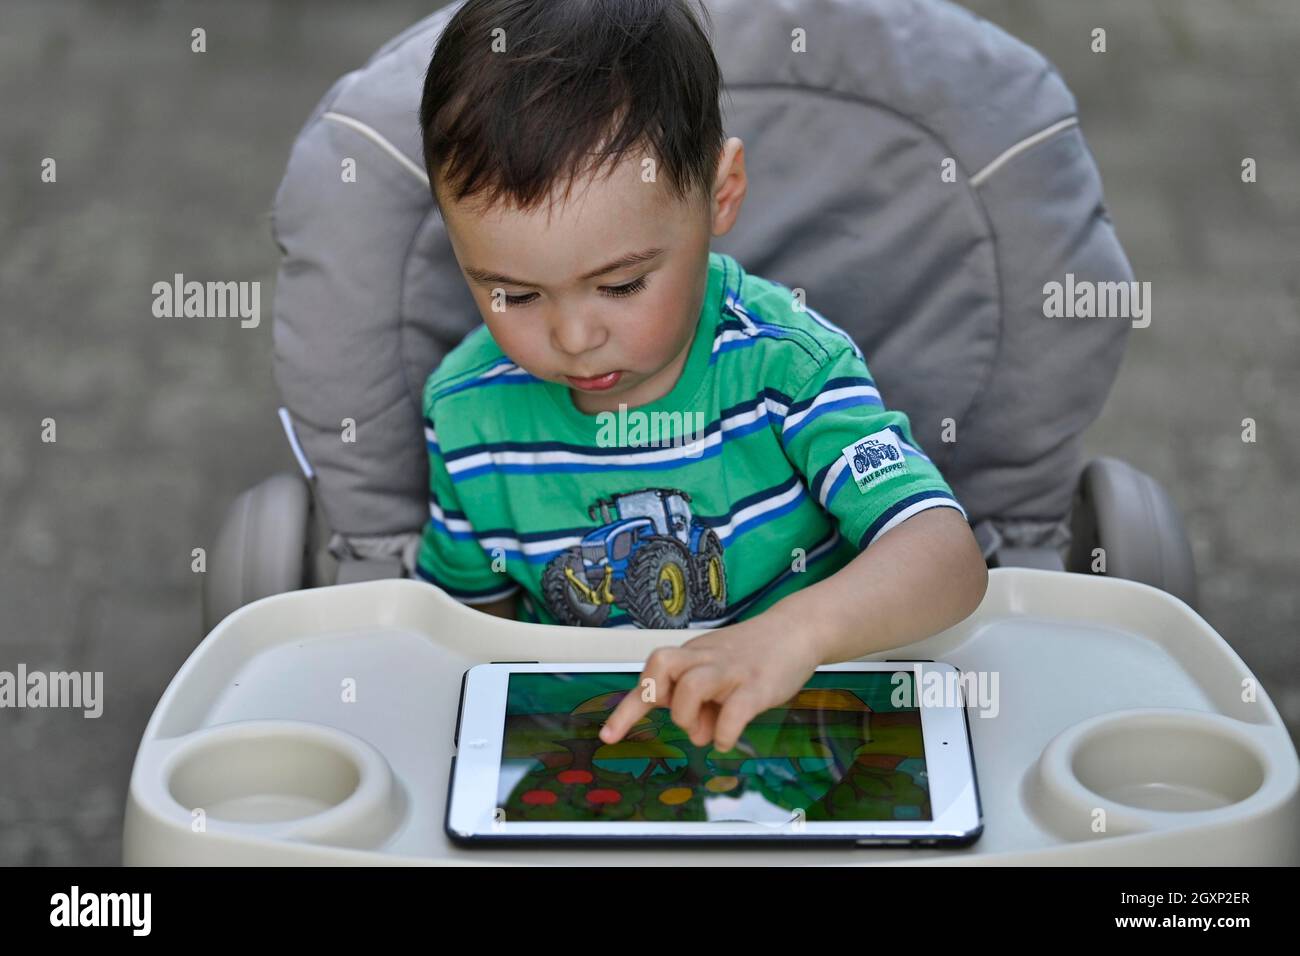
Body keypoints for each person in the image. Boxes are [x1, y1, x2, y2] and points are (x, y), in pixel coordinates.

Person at [414, 0, 987, 752]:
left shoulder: (788, 369)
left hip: (803, 726)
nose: (574, 337)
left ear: (721, 195)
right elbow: (462, 643)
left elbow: (947, 559)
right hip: (598, 745)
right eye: (512, 295)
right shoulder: (467, 416)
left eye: (620, 286)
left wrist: (793, 634)